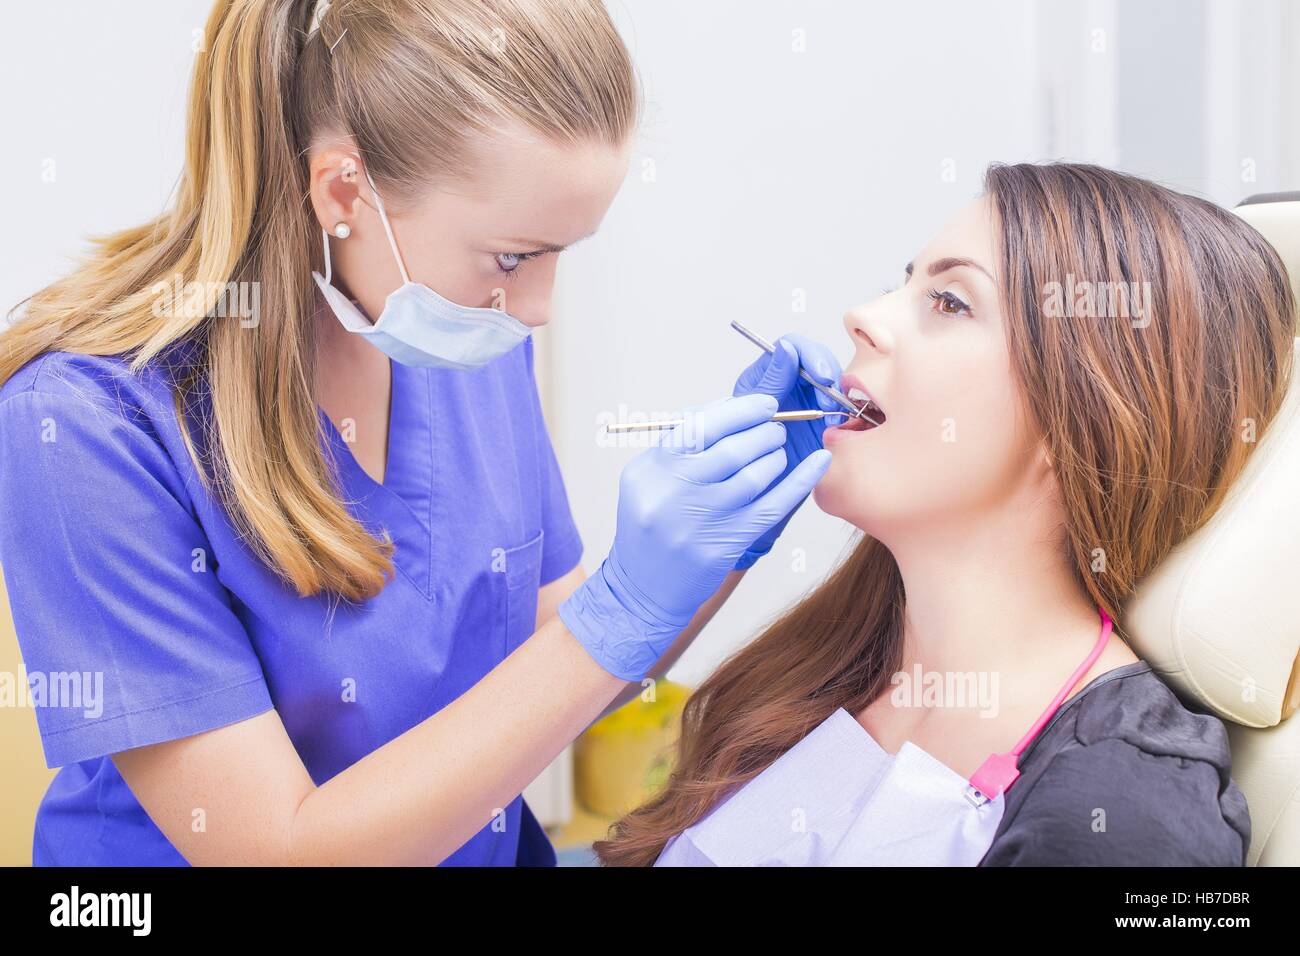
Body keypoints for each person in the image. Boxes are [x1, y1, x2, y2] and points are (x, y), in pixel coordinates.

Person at [0, 0, 839, 866]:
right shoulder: (88, 425)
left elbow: (575, 676)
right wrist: (616, 612)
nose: (540, 310)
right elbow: (278, 852)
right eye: (514, 258)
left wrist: (718, 546)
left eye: (562, 254)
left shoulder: (463, 340)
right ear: (343, 194)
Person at [594, 162, 1297, 867]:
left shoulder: (1122, 813)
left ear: (1078, 416)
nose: (862, 317)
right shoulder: (828, 664)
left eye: (951, 302)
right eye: (905, 282)